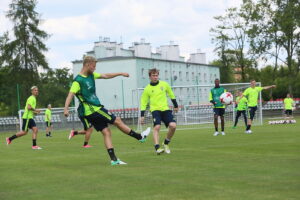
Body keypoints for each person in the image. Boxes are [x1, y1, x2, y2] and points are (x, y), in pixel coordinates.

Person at [64, 56, 150, 166]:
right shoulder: (78, 81)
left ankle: (114, 160)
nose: (95, 69)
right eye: (93, 66)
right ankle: (140, 137)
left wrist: (120, 73)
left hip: (92, 111)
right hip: (94, 110)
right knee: (117, 120)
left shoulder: (91, 75)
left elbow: (105, 75)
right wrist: (66, 108)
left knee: (106, 132)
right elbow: (70, 95)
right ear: (87, 64)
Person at [140, 68, 178, 155]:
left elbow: (171, 94)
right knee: (157, 127)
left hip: (165, 109)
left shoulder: (164, 84)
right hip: (155, 110)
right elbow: (143, 103)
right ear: (149, 77)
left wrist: (176, 105)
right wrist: (142, 115)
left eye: (156, 75)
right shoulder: (147, 89)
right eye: (153, 75)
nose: (155, 77)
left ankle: (165, 143)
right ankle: (157, 147)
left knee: (173, 126)